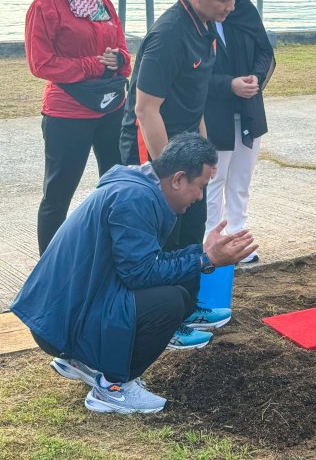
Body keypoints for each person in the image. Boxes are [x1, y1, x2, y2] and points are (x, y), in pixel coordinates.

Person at [10, 134, 257, 414]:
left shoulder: (137, 187)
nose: (200, 197)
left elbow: (147, 261)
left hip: (57, 318)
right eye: (200, 187)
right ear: (177, 179)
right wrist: (205, 260)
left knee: (177, 286)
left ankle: (82, 360)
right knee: (172, 301)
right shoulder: (136, 199)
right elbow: (140, 275)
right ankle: (113, 387)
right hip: (61, 324)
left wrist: (201, 251)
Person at [118, 0, 240, 347]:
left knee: (192, 229)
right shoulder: (169, 34)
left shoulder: (208, 27)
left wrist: (204, 156)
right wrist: (168, 174)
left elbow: (197, 99)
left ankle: (188, 308)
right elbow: (145, 108)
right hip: (155, 149)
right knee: (164, 238)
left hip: (188, 148)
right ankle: (165, 323)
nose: (230, 6)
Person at [26, 0, 131, 255]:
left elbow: (124, 57)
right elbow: (41, 63)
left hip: (112, 108)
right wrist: (93, 65)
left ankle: (113, 257)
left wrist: (119, 60)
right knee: (58, 195)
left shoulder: (103, 5)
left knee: (117, 188)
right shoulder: (45, 6)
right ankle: (51, 269)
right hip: (67, 113)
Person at [204, 0, 275, 264]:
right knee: (214, 178)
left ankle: (238, 237)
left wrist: (255, 76)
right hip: (214, 111)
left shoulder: (244, 9)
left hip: (248, 110)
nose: (229, 5)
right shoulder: (202, 19)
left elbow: (265, 52)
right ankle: (212, 240)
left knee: (241, 180)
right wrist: (229, 84)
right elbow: (193, 73)